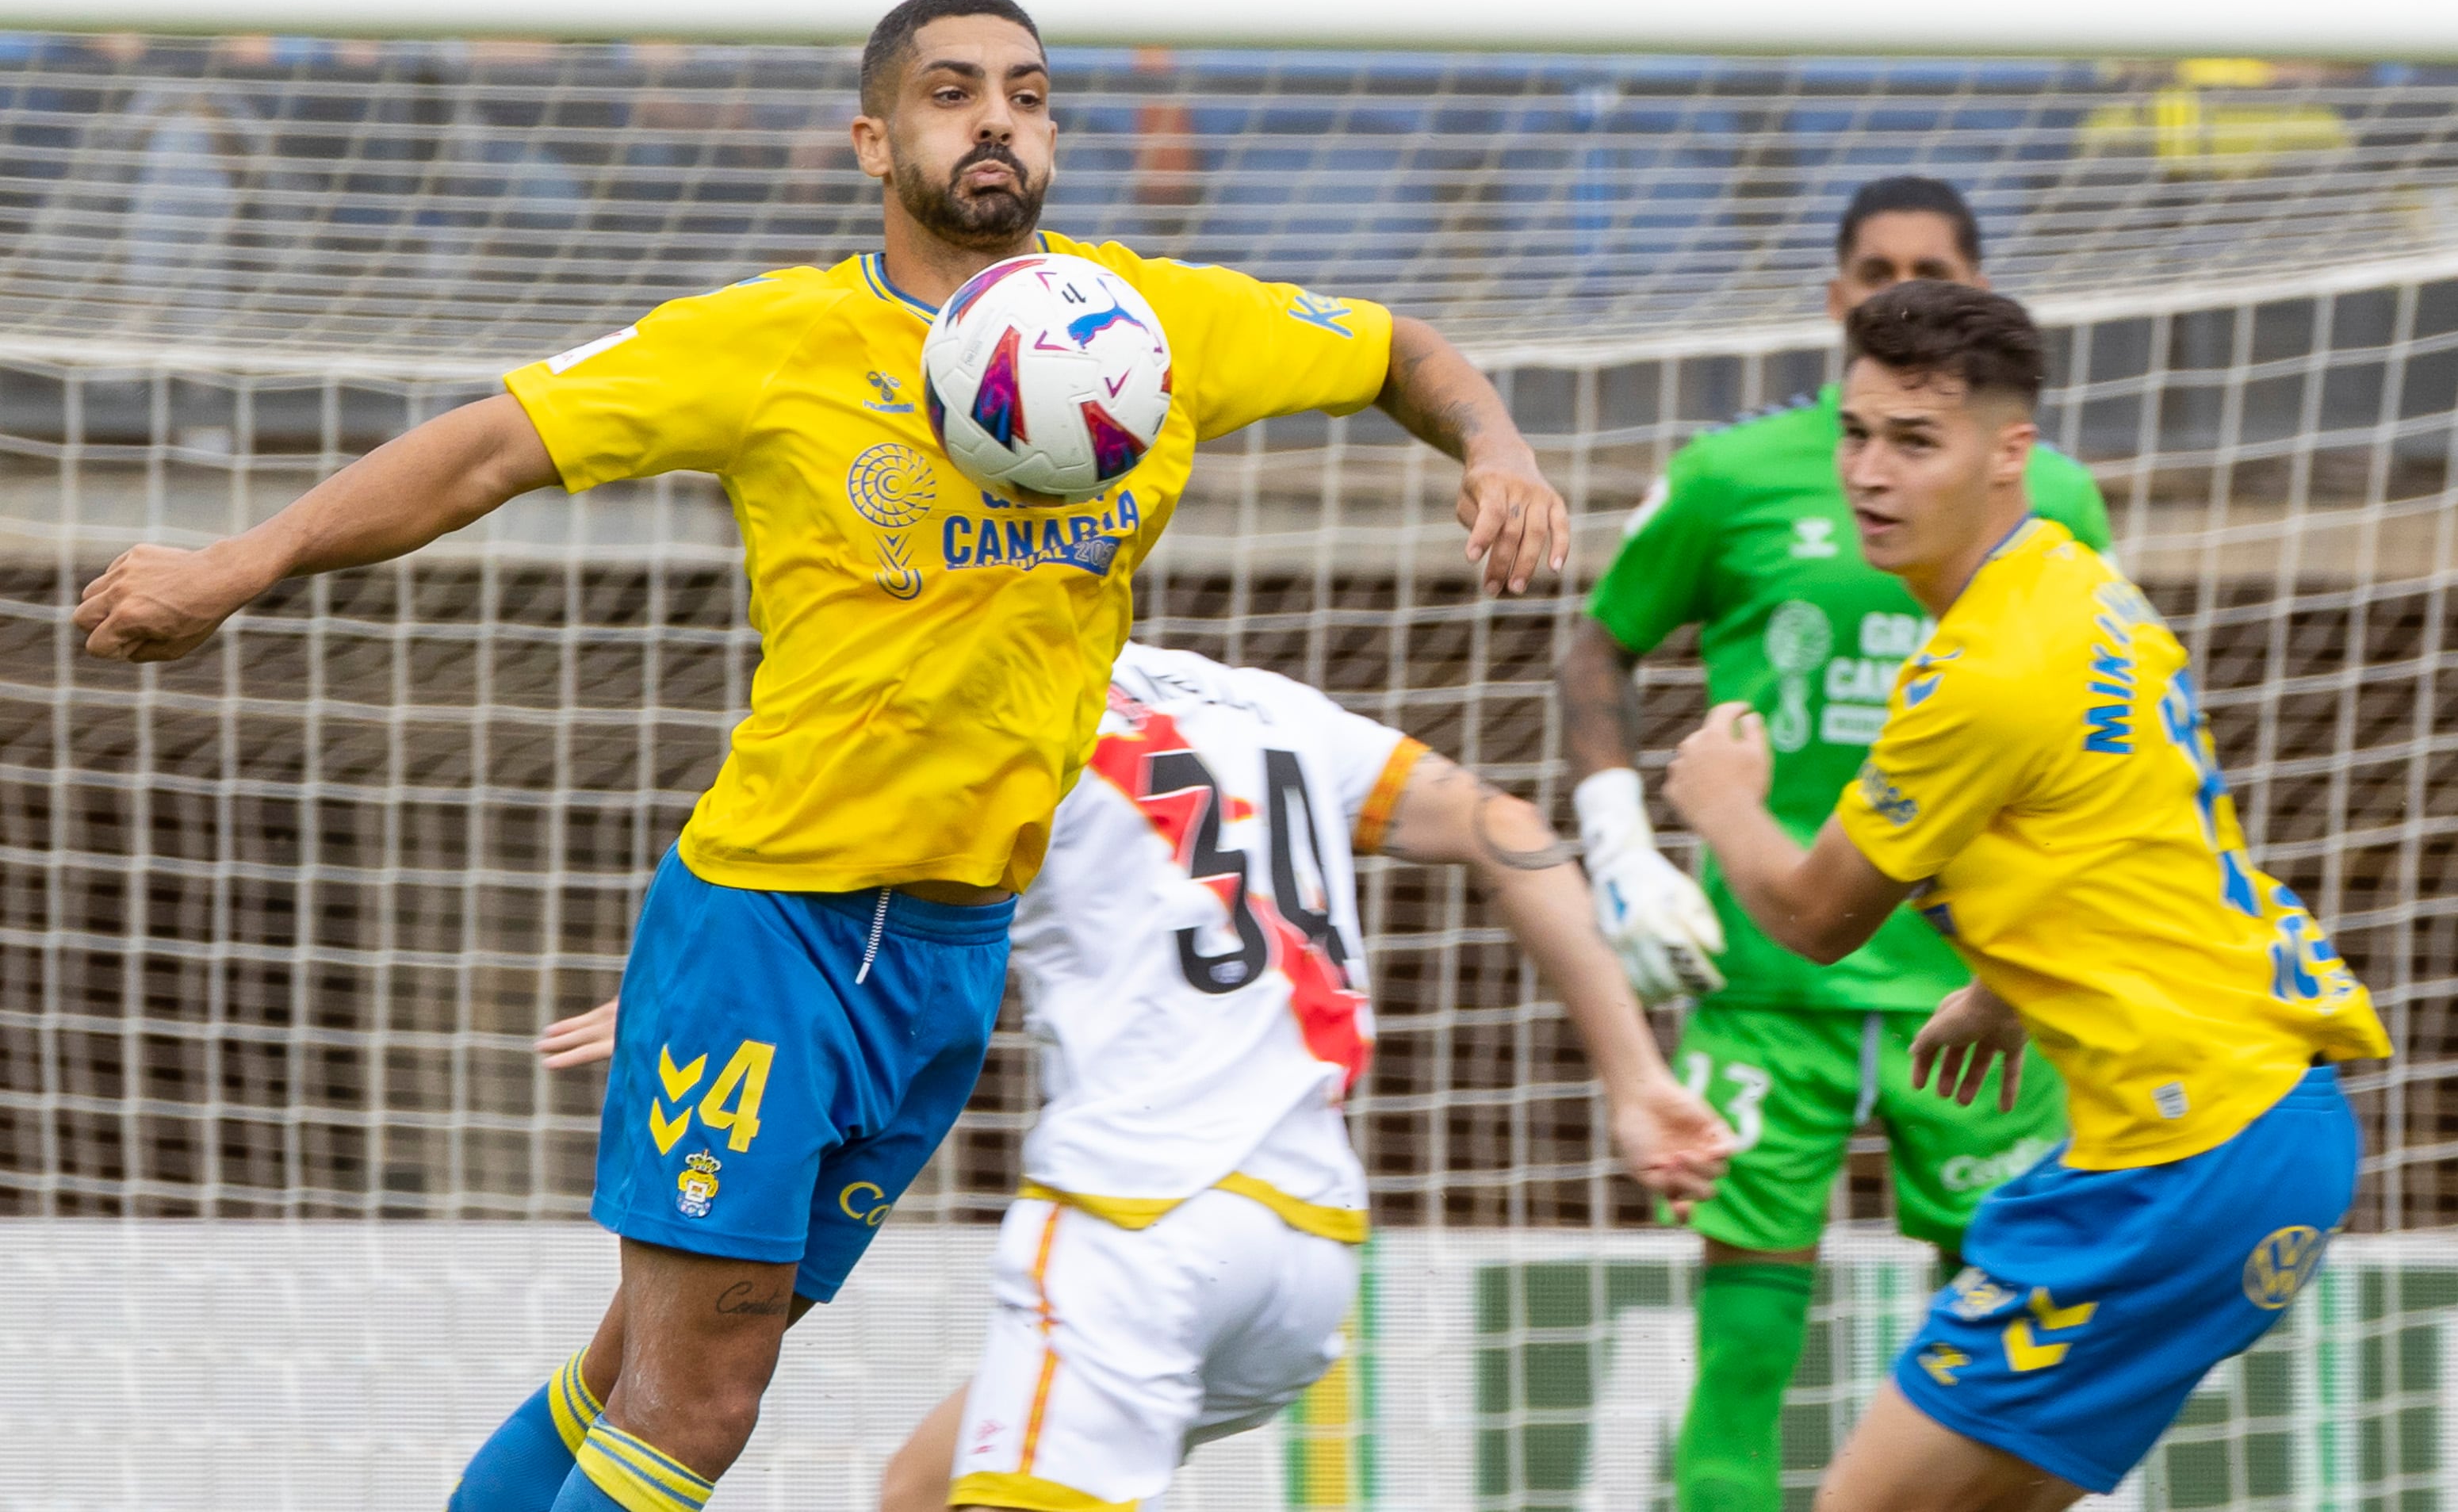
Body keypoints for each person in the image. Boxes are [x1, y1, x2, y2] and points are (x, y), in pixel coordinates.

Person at [72, 0, 1567, 1512]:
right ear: (874, 138)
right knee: (701, 1405)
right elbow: (487, 447)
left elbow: (1400, 350)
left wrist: (1495, 447)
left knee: (639, 1371)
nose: (998, 120)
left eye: (1030, 94)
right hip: (776, 917)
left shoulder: (1153, 327)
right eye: (952, 92)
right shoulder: (778, 341)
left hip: (948, 952)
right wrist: (243, 563)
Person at [541, 640, 1734, 1512]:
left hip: (1138, 1221)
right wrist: (1633, 1077)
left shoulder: (1000, 715)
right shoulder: (1271, 706)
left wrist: (703, 994)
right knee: (922, 1489)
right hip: (1305, 1256)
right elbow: (1505, 826)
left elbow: (844, 930)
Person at [1661, 280, 2390, 1512]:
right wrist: (2006, 984)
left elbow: (1814, 916)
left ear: (2012, 454)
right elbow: (2130, 834)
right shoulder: (2077, 582)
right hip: (2275, 1131)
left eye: (1914, 441)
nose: (1870, 475)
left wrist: (1721, 797)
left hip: (2179, 1158)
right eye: (1856, 432)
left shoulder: (1983, 672)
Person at [1554, 175, 2108, 1512]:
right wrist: (1618, 834)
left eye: (1926, 270)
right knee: (1742, 1349)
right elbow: (1601, 644)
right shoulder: (1730, 474)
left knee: (2007, 1353)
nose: (1892, 291)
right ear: (1835, 297)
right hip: (1766, 985)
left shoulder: (2063, 502)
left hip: (1970, 990)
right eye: (1872, 271)